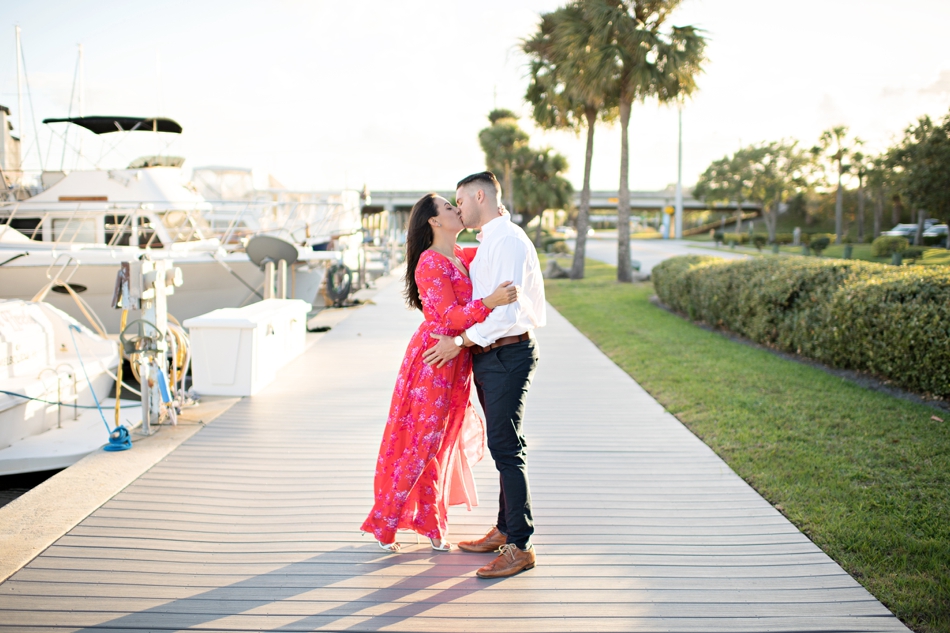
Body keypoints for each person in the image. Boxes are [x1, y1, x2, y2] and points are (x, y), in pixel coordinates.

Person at [361, 193, 518, 552]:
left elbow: (494, 250)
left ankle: (431, 521)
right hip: (434, 360)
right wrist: (489, 302)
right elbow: (448, 317)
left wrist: (499, 217)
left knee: (442, 443)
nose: (457, 210)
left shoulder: (461, 256)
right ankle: (385, 521)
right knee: (423, 442)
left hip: (458, 359)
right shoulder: (430, 262)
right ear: (434, 221)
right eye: (449, 207)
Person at [423, 171, 546, 579]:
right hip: (492, 355)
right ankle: (505, 528)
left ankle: (520, 546)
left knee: (507, 449)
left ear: (479, 196)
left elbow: (506, 314)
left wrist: (459, 342)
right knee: (503, 445)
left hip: (507, 352)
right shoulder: (490, 239)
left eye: (460, 200)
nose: (457, 208)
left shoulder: (506, 240)